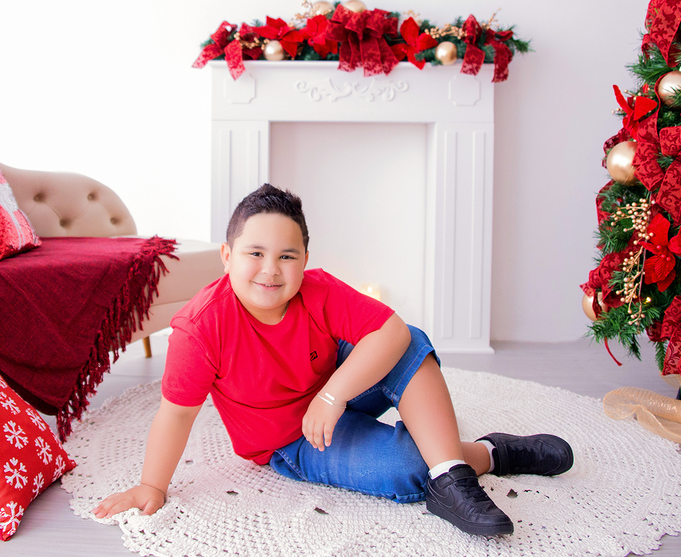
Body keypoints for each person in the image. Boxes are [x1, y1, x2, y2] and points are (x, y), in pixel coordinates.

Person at [94, 184, 572, 537]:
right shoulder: (199, 329)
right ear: (226, 255)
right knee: (407, 466)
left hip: (333, 391)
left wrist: (332, 394)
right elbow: (176, 414)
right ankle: (491, 453)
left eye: (286, 256)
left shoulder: (317, 289)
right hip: (290, 440)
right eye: (254, 253)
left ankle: (450, 475)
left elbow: (393, 331)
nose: (270, 269)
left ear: (304, 258)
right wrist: (151, 486)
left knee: (406, 341)